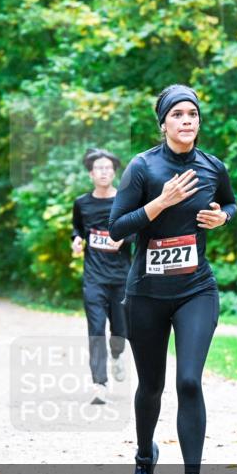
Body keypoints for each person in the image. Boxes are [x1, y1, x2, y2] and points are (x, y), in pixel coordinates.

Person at [109, 84, 237, 474]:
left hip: (195, 289)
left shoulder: (212, 166)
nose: (187, 121)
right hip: (145, 293)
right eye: (178, 114)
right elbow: (116, 228)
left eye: (193, 114)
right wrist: (159, 204)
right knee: (151, 387)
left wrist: (221, 217)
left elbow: (230, 205)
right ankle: (145, 455)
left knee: (188, 381)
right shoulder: (143, 168)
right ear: (163, 123)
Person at [71, 147, 133, 406]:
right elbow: (77, 228)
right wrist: (76, 240)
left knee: (120, 329)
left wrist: (124, 238)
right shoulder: (82, 203)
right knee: (95, 330)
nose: (104, 172)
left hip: (121, 277)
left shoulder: (125, 200)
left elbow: (138, 228)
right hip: (94, 278)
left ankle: (117, 354)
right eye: (99, 168)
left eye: (108, 168)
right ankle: (99, 384)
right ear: (91, 173)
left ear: (114, 172)